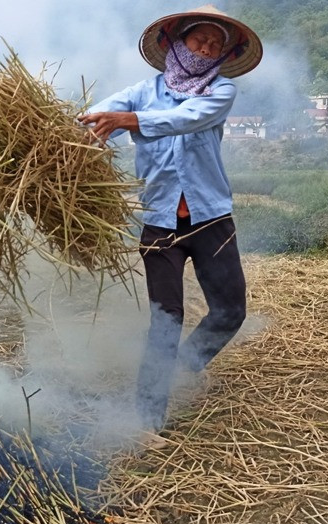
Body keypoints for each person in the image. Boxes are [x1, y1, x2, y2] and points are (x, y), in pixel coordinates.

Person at [76, 5, 263, 449]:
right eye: (200, 40)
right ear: (176, 44)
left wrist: (131, 122)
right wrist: (76, 128)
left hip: (211, 219)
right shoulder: (142, 92)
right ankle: (147, 420)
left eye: (216, 45)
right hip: (160, 224)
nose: (207, 48)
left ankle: (181, 370)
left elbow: (187, 119)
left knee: (230, 312)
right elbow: (95, 118)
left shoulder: (221, 91)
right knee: (166, 320)